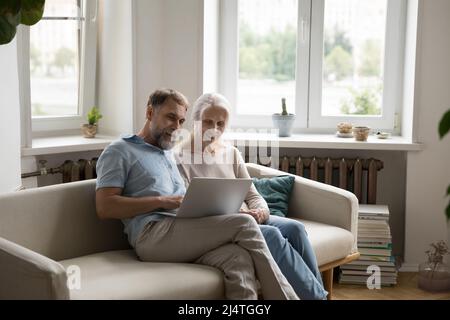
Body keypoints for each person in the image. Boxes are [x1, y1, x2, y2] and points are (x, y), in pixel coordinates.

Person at [95, 88, 298, 300]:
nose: (176, 126)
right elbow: (105, 207)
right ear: (149, 113)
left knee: (237, 257)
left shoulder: (167, 152)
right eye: (170, 117)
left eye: (181, 121)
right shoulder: (119, 150)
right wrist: (163, 201)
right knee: (243, 224)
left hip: (183, 229)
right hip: (152, 235)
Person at [175, 93, 328, 300]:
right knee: (272, 236)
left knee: (295, 228)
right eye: (208, 122)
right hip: (221, 226)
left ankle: (319, 294)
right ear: (195, 120)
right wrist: (237, 214)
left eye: (221, 124)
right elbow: (189, 207)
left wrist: (262, 211)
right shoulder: (179, 157)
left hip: (248, 218)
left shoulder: (231, 153)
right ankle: (315, 298)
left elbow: (252, 194)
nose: (214, 129)